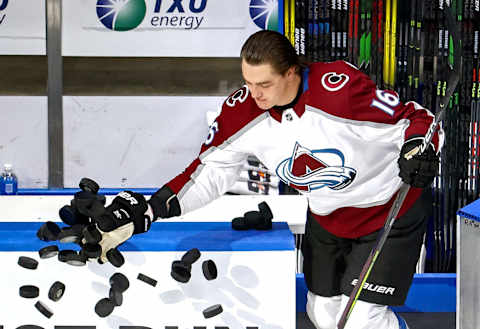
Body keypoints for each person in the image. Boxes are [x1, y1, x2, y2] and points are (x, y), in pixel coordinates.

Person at [91, 30, 441, 329]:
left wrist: (417, 148)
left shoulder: (340, 93)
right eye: (247, 82)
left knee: (363, 317)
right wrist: (153, 209)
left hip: (388, 210)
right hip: (328, 218)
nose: (254, 93)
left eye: (264, 84)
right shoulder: (242, 113)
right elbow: (208, 172)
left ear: (292, 72)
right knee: (322, 311)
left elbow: (413, 119)